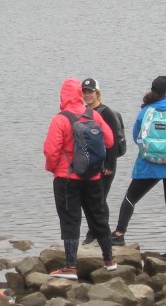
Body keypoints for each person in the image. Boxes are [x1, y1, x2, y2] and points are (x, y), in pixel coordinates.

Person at [111, 75, 166, 261]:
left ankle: (119, 234)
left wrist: (153, 150)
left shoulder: (147, 111)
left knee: (131, 197)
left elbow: (137, 136)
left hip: (149, 164)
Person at [43, 78, 119, 278]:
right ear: (79, 94)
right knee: (98, 216)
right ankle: (109, 260)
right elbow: (110, 141)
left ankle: (70, 266)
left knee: (70, 219)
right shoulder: (93, 115)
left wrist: (53, 169)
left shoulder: (60, 119)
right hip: (93, 176)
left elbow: (51, 151)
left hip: (66, 178)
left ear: (62, 96)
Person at [79, 77, 123, 245]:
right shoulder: (82, 112)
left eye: (90, 91)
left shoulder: (106, 113)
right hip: (88, 163)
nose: (88, 95)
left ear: (97, 93)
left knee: (99, 198)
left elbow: (111, 140)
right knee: (88, 198)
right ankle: (94, 231)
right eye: (84, 91)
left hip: (105, 164)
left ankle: (98, 232)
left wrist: (109, 164)